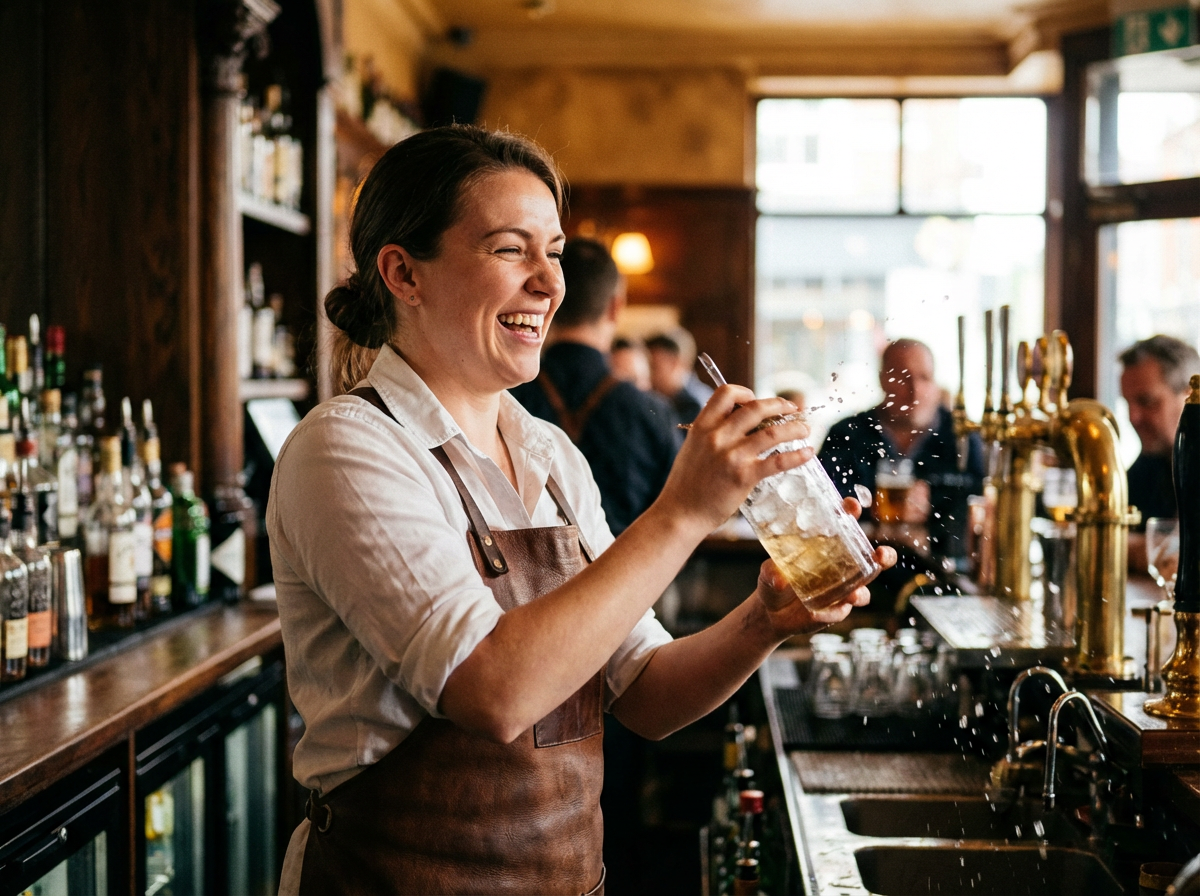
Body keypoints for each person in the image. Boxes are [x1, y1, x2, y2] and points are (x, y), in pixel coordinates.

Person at [268, 125, 893, 895]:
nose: (548, 283)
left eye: (555, 252)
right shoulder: (347, 448)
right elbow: (493, 690)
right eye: (509, 249)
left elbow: (647, 694)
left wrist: (762, 621)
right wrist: (682, 513)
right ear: (404, 273)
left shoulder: (550, 455)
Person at [511, 238, 678, 535]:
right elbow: (673, 520)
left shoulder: (504, 398)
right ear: (615, 307)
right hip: (638, 577)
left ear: (551, 299)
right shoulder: (651, 411)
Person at [818, 339, 984, 554]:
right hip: (865, 566)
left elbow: (982, 506)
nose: (914, 389)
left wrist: (932, 509)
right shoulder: (846, 434)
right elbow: (820, 509)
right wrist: (868, 511)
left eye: (924, 377)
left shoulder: (962, 437)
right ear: (882, 380)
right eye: (902, 378)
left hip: (943, 573)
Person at [1119, 335, 1200, 569]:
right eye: (1128, 404)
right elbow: (1106, 536)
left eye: (1147, 401)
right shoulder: (1150, 464)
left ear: (1190, 398)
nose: (1133, 418)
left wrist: (1138, 548)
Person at [646, 327, 714, 425]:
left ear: (675, 363)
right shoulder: (672, 397)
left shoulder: (694, 404)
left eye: (654, 367)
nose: (649, 375)